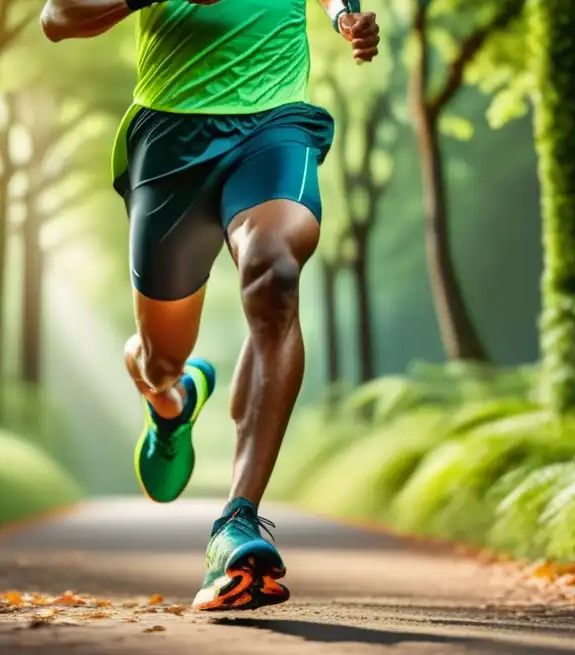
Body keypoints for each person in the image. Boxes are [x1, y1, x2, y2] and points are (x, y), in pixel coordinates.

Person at [40, 0, 380, 611]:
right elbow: (58, 17)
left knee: (274, 271)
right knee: (161, 359)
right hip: (172, 139)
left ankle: (237, 522)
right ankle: (170, 401)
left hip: (275, 123)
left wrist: (344, 17)